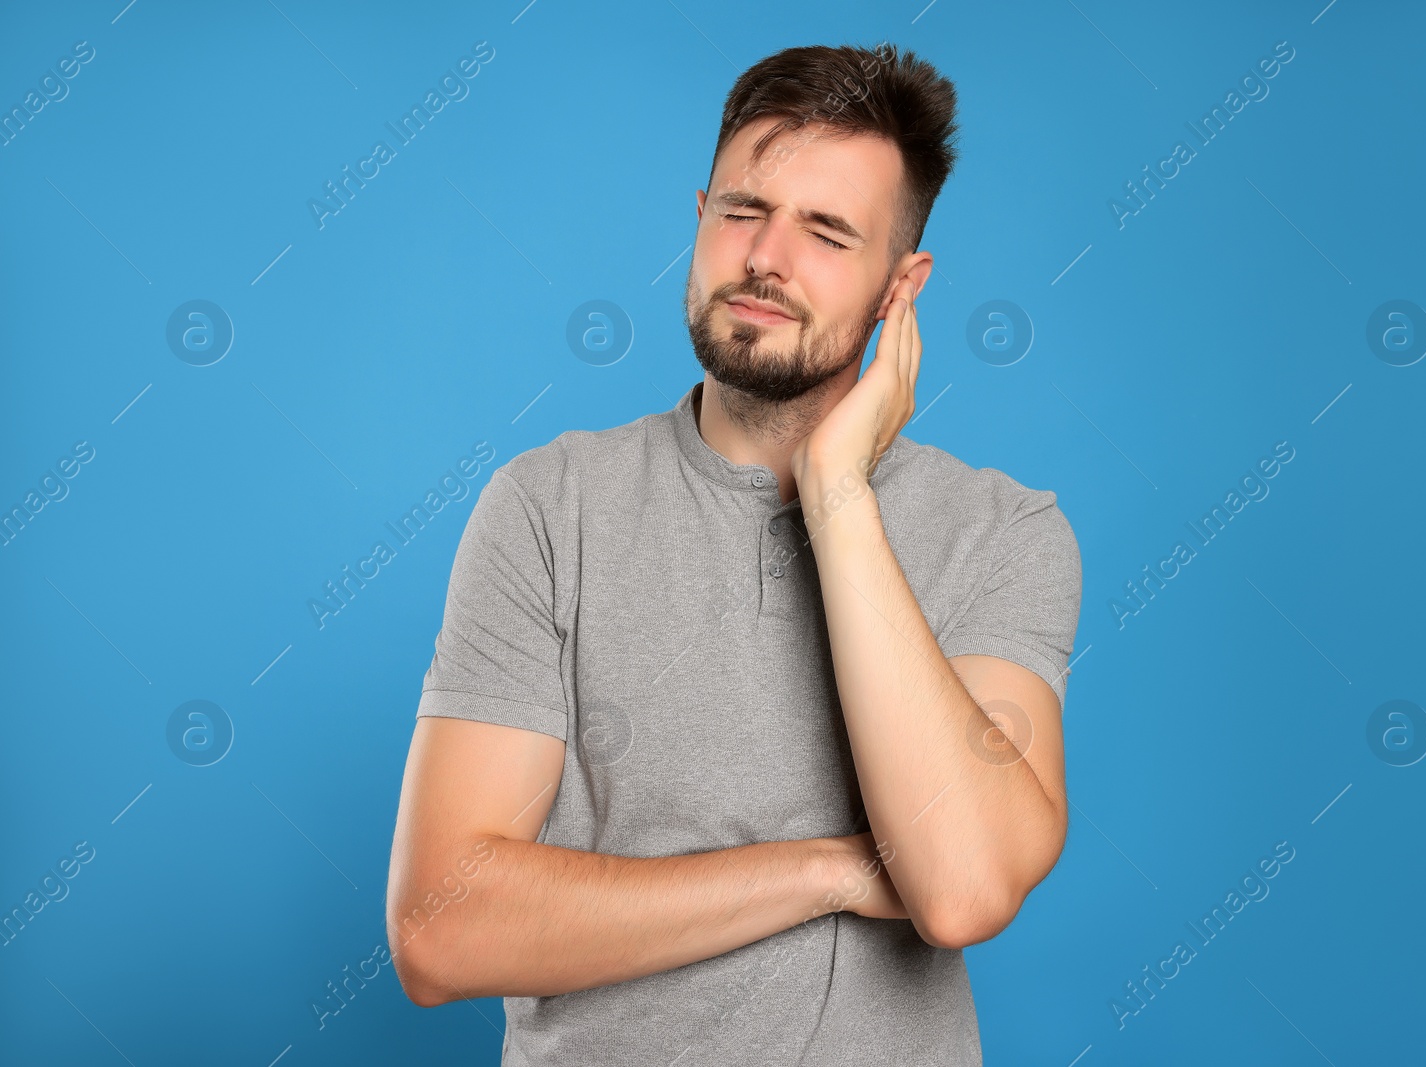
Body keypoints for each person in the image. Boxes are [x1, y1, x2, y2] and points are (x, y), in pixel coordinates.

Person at [385, 41, 1082, 1066]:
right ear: (700, 216)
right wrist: (831, 871)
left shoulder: (1003, 531)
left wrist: (838, 492)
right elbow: (439, 932)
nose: (765, 258)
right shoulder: (548, 504)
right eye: (743, 211)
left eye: (827, 232)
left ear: (902, 285)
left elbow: (963, 884)